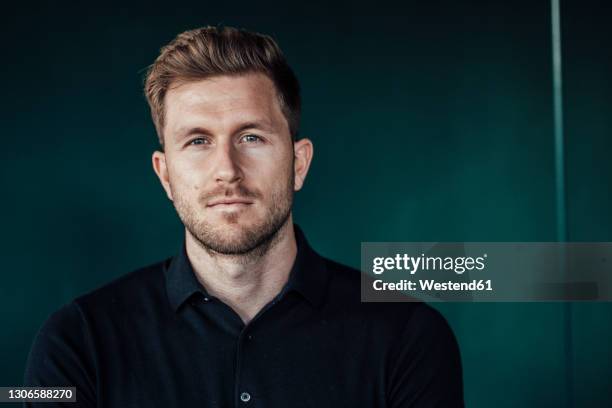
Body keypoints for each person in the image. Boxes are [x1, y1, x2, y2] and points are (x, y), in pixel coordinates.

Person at [24, 26, 464, 407]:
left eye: (251, 137)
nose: (227, 171)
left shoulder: (409, 336)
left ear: (299, 163)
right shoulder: (77, 341)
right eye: (197, 141)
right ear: (165, 175)